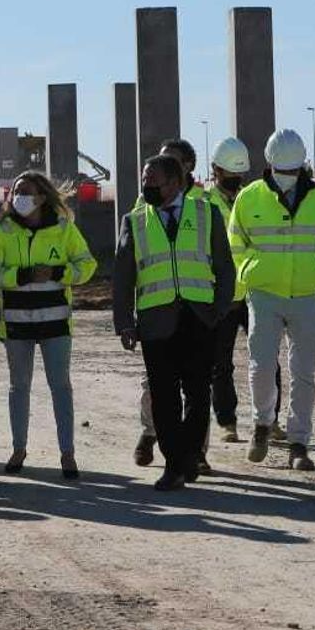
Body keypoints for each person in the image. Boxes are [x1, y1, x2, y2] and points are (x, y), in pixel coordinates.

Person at [113, 155, 236, 490]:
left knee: (198, 393)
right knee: (164, 397)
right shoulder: (135, 221)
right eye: (144, 181)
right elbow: (123, 276)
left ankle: (190, 454)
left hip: (199, 318)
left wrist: (220, 308)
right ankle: (174, 463)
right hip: (156, 322)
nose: (147, 187)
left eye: (154, 182)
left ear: (176, 183)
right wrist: (124, 321)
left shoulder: (205, 214)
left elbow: (225, 267)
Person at [228, 128, 315, 471]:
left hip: (306, 293)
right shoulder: (249, 197)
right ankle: (262, 424)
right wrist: (251, 269)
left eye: (291, 170)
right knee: (261, 365)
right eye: (283, 169)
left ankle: (299, 442)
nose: (287, 176)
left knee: (304, 372)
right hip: (263, 292)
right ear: (271, 163)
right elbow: (236, 241)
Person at [0, 171, 97, 479]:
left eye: (25, 191)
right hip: (17, 324)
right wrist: (21, 276)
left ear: (42, 196)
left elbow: (87, 265)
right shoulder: (3, 230)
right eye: (16, 191)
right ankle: (19, 449)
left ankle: (67, 454)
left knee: (61, 388)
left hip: (55, 322)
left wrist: (58, 272)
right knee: (19, 388)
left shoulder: (62, 229)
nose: (19, 197)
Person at [203, 138, 253, 450]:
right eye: (229, 173)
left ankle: (269, 421)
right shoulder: (205, 203)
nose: (235, 181)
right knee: (220, 363)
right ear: (216, 170)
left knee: (265, 361)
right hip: (221, 294)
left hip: (253, 291)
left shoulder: (252, 199)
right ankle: (227, 422)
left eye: (239, 175)